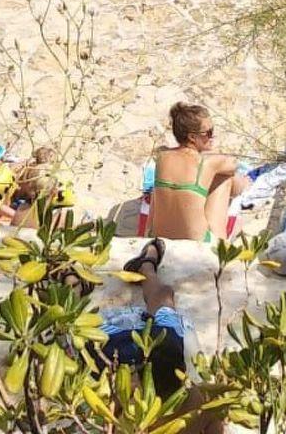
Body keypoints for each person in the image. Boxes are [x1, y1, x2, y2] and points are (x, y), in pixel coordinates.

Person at [96, 239, 190, 395]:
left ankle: (72, 281)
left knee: (72, 329)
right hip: (159, 339)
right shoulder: (170, 343)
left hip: (107, 342)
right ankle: (146, 266)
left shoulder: (101, 363)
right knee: (164, 296)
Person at [148, 102, 247, 243]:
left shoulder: (162, 156)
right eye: (208, 133)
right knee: (226, 180)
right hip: (197, 244)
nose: (212, 137)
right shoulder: (208, 162)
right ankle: (222, 242)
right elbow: (233, 166)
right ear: (192, 137)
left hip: (158, 238)